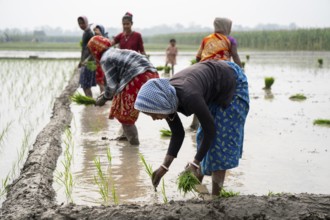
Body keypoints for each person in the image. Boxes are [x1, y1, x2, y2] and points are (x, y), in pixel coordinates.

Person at [134, 60, 249, 197]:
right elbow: (178, 134)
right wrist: (164, 168)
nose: (154, 118)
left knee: (219, 144)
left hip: (233, 83)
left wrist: (194, 163)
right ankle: (201, 189)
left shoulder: (189, 96)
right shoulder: (168, 99)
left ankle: (215, 198)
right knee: (201, 138)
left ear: (161, 104)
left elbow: (211, 130)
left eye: (153, 114)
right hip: (214, 85)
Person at [87, 36, 159, 145]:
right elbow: (116, 85)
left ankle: (134, 148)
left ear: (95, 49)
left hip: (138, 78)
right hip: (152, 74)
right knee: (121, 102)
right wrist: (106, 94)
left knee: (125, 117)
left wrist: (104, 98)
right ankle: (125, 136)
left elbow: (112, 86)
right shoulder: (114, 51)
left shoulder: (105, 59)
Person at [191, 17, 243, 130]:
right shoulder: (230, 39)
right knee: (223, 97)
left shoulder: (206, 39)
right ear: (227, 27)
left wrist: (200, 69)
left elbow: (198, 57)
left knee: (202, 97)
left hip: (205, 70)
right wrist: (241, 69)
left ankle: (195, 124)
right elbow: (235, 55)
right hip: (223, 70)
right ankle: (221, 124)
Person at [77, 16, 96, 97]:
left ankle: (90, 103)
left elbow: (93, 49)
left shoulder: (89, 33)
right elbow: (84, 49)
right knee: (85, 85)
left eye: (83, 23)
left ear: (87, 22)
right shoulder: (85, 32)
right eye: (79, 23)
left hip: (89, 62)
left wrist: (86, 60)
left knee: (86, 85)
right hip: (85, 62)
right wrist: (81, 61)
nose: (81, 25)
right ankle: (90, 104)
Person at [93, 24, 109, 93]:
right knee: (100, 81)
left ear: (101, 31)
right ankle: (102, 95)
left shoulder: (105, 40)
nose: (96, 32)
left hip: (104, 63)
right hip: (98, 64)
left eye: (98, 30)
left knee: (103, 81)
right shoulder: (95, 40)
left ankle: (104, 96)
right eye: (95, 31)